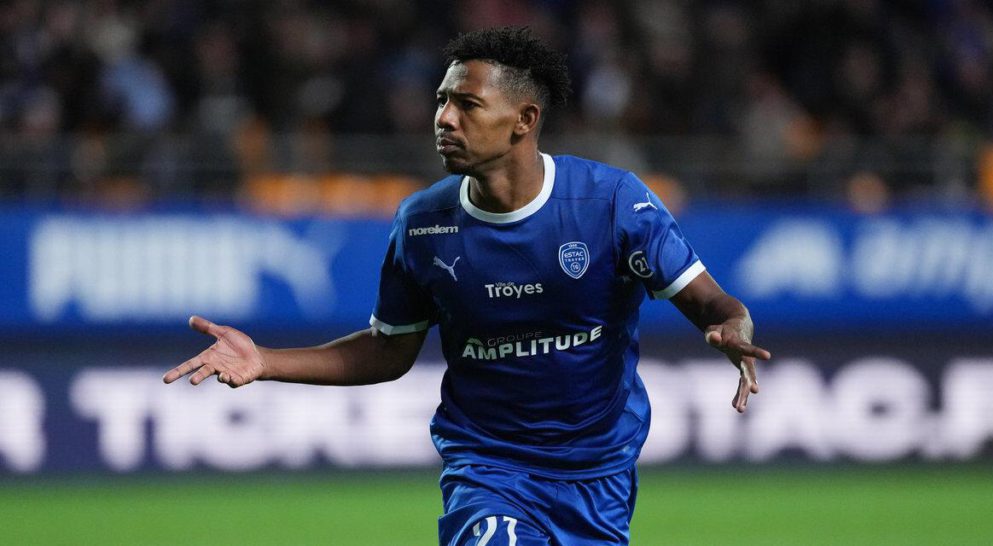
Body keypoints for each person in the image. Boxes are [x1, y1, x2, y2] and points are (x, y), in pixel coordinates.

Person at [163, 26, 771, 546]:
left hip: (599, 473)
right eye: (441, 100)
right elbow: (389, 349)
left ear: (523, 120)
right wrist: (265, 360)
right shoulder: (423, 223)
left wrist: (731, 328)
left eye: (467, 104)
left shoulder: (611, 204)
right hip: (487, 467)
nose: (444, 119)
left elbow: (712, 303)